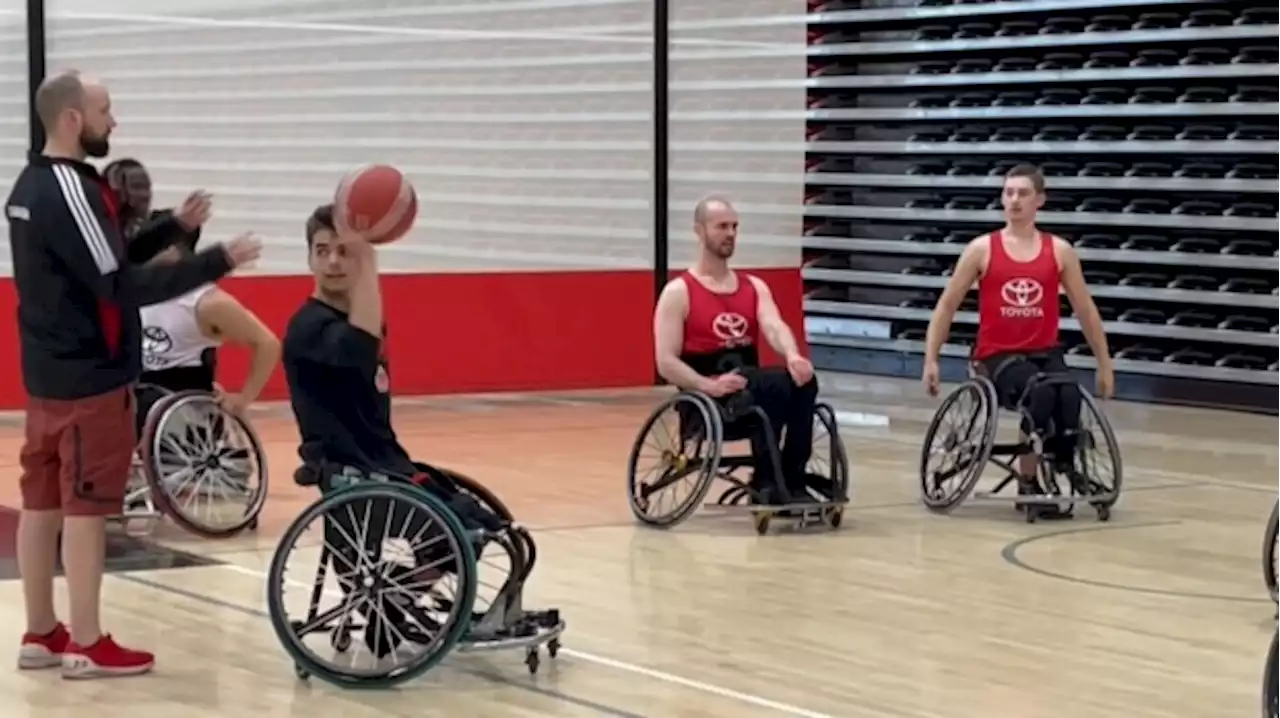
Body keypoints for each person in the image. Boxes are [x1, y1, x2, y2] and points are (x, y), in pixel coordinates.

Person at [4, 69, 261, 678]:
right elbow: (119, 285)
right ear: (73, 118)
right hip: (89, 382)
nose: (112, 121)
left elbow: (105, 255)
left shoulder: (28, 185)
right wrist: (214, 261)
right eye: (104, 110)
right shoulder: (70, 187)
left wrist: (174, 229)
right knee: (88, 509)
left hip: (44, 376)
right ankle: (88, 643)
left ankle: (41, 631)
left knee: (39, 505)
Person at [281, 204, 501, 656]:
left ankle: (395, 602)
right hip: (351, 474)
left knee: (483, 522)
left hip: (385, 463)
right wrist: (369, 252)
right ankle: (391, 604)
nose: (334, 261)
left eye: (345, 252)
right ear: (309, 260)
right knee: (458, 530)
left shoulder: (360, 319)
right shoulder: (308, 327)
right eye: (323, 251)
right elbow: (359, 349)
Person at [921, 163, 1115, 512]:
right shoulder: (982, 249)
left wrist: (1105, 365)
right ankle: (1028, 480)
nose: (1014, 200)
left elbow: (1086, 311)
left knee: (1068, 392)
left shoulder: (1059, 251)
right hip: (996, 355)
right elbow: (946, 305)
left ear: (1039, 200)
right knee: (1038, 390)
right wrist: (931, 359)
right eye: (1008, 192)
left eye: (1023, 193)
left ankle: (1062, 461)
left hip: (1044, 351)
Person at [652, 195, 827, 505]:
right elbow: (665, 362)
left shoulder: (753, 286)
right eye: (722, 226)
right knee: (767, 385)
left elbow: (773, 325)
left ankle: (791, 479)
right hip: (708, 396)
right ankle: (768, 482)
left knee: (802, 381)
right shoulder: (678, 292)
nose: (730, 233)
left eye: (734, 226)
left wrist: (793, 355)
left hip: (751, 387)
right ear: (699, 231)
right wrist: (709, 385)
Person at [104, 157, 211, 263]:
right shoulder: (103, 232)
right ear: (113, 191)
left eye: (147, 187)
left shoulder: (159, 221)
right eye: (136, 187)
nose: (145, 194)